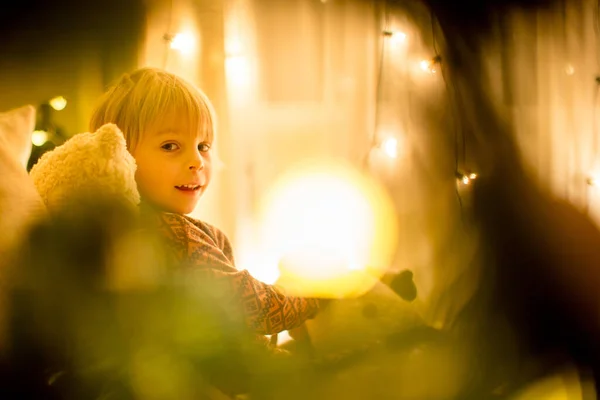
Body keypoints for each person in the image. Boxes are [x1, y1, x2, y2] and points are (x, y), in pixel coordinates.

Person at [89, 67, 322, 337]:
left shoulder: (120, 227)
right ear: (119, 154)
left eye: (203, 146)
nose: (197, 161)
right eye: (170, 146)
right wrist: (319, 293)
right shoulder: (171, 234)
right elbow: (256, 310)